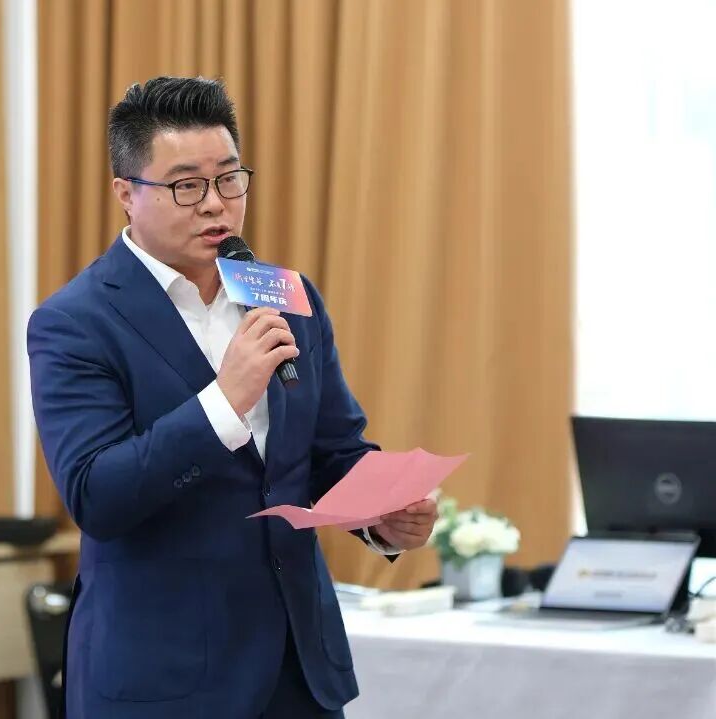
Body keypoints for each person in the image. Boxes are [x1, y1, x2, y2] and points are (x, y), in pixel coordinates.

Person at [28, 76, 437, 719]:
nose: (216, 204)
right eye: (187, 186)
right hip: (165, 681)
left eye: (229, 179)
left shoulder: (282, 293)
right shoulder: (75, 322)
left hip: (298, 672)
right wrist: (224, 401)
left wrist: (380, 514)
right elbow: (97, 496)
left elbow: (331, 450)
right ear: (126, 194)